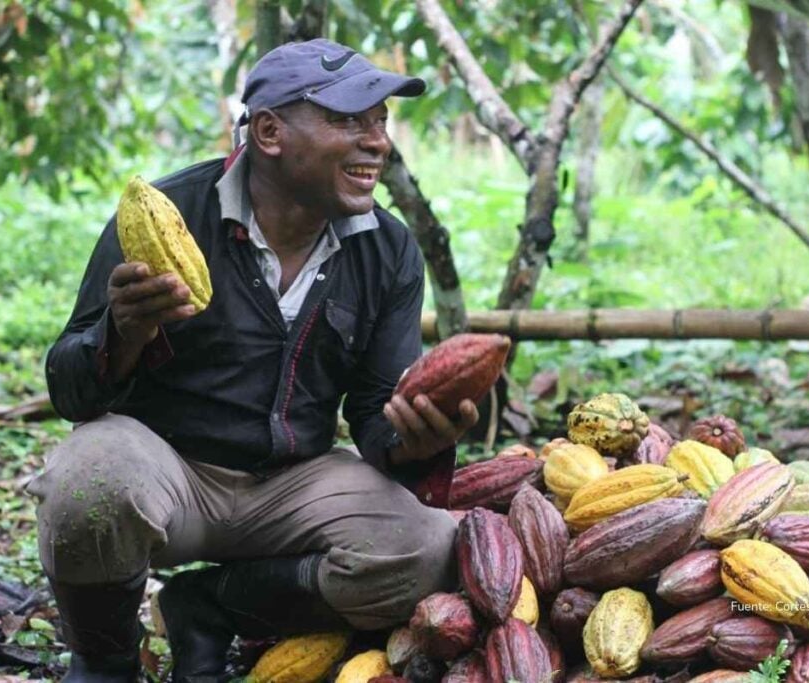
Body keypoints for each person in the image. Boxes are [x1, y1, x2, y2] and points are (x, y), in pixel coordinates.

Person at [29, 38, 478, 682]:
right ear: (269, 131)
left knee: (428, 551)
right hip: (170, 472)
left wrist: (418, 436)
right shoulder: (171, 213)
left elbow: (377, 421)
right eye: (349, 120)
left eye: (380, 121)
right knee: (87, 482)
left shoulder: (388, 250)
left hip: (294, 482)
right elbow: (71, 392)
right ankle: (105, 660)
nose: (376, 141)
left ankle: (210, 608)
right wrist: (123, 331)